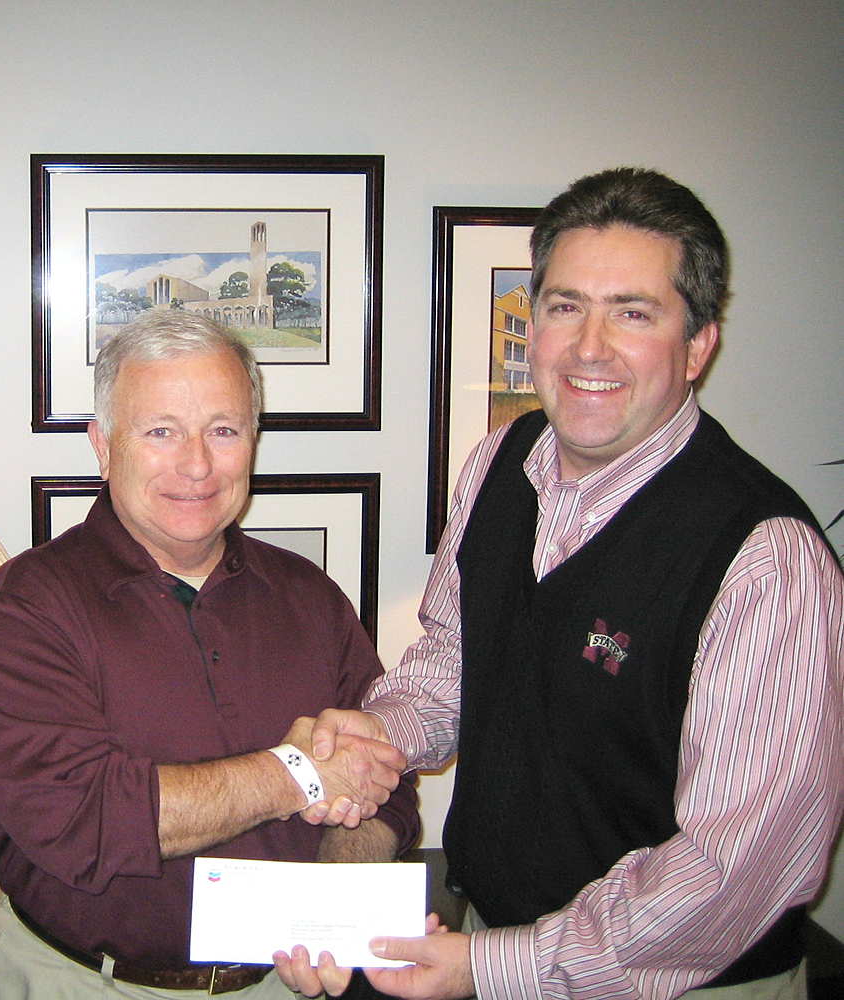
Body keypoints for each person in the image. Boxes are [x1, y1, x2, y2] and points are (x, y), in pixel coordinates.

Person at [275, 167, 844, 1000]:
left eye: (633, 313)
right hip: (494, 938)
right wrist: (374, 736)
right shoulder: (500, 462)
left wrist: (495, 969)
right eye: (564, 305)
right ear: (531, 323)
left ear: (697, 346)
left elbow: (729, 875)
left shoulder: (764, 560)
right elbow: (452, 659)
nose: (588, 347)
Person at [0, 311, 420, 998]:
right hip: (77, 981)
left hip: (278, 983)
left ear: (251, 443)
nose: (196, 464)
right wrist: (298, 773)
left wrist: (333, 906)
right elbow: (83, 818)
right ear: (104, 446)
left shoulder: (310, 597)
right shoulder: (26, 607)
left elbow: (387, 787)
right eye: (161, 431)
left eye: (223, 431)